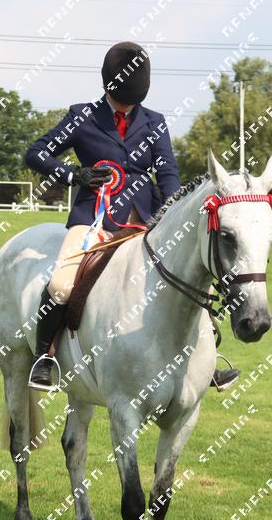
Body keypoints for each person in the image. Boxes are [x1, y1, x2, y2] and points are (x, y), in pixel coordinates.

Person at [25, 41, 239, 392]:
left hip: (147, 219)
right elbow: (36, 153)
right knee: (61, 284)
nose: (127, 107)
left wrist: (174, 211)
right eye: (122, 100)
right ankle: (44, 357)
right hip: (94, 216)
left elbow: (167, 172)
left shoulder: (154, 122)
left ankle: (206, 361)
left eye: (132, 101)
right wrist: (74, 174)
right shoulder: (82, 116)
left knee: (198, 281)